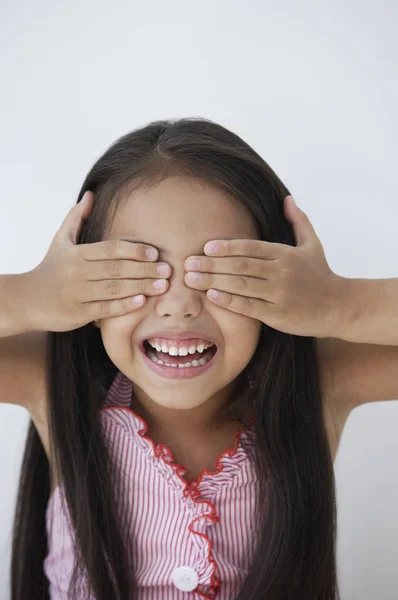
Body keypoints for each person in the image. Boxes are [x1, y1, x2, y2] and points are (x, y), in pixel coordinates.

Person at [1, 117, 351, 599]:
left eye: (221, 273)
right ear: (82, 297)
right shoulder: (49, 382)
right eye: (135, 272)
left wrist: (337, 303)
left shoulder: (320, 383)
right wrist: (25, 297)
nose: (181, 304)